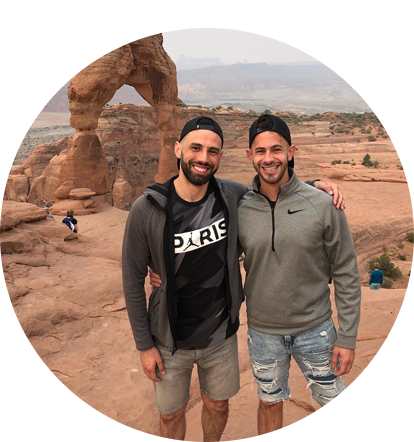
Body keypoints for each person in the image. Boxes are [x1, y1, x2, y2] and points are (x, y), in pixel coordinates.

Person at [124, 116, 344, 442]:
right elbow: (132, 279)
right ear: (178, 148)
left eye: (213, 151)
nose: (203, 158)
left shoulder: (228, 195)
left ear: (221, 156)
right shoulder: (148, 208)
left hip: (220, 335)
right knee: (170, 413)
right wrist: (144, 346)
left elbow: (271, 194)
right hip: (168, 338)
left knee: (218, 405)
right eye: (196, 148)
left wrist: (313, 185)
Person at [238, 114, 361, 442]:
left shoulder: (323, 205)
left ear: (291, 151)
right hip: (263, 332)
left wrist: (347, 338)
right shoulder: (240, 207)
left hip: (316, 331)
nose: (268, 158)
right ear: (250, 156)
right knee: (269, 403)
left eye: (276, 150)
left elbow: (347, 272)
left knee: (335, 403)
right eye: (260, 151)